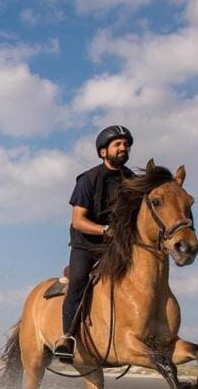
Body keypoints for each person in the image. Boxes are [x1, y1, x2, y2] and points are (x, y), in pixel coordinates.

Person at [53, 125, 136, 363]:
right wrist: (104, 230)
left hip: (117, 245)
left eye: (126, 144)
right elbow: (78, 221)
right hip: (86, 245)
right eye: (117, 144)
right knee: (79, 279)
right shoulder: (88, 180)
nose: (123, 147)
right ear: (103, 152)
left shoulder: (132, 181)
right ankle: (67, 337)